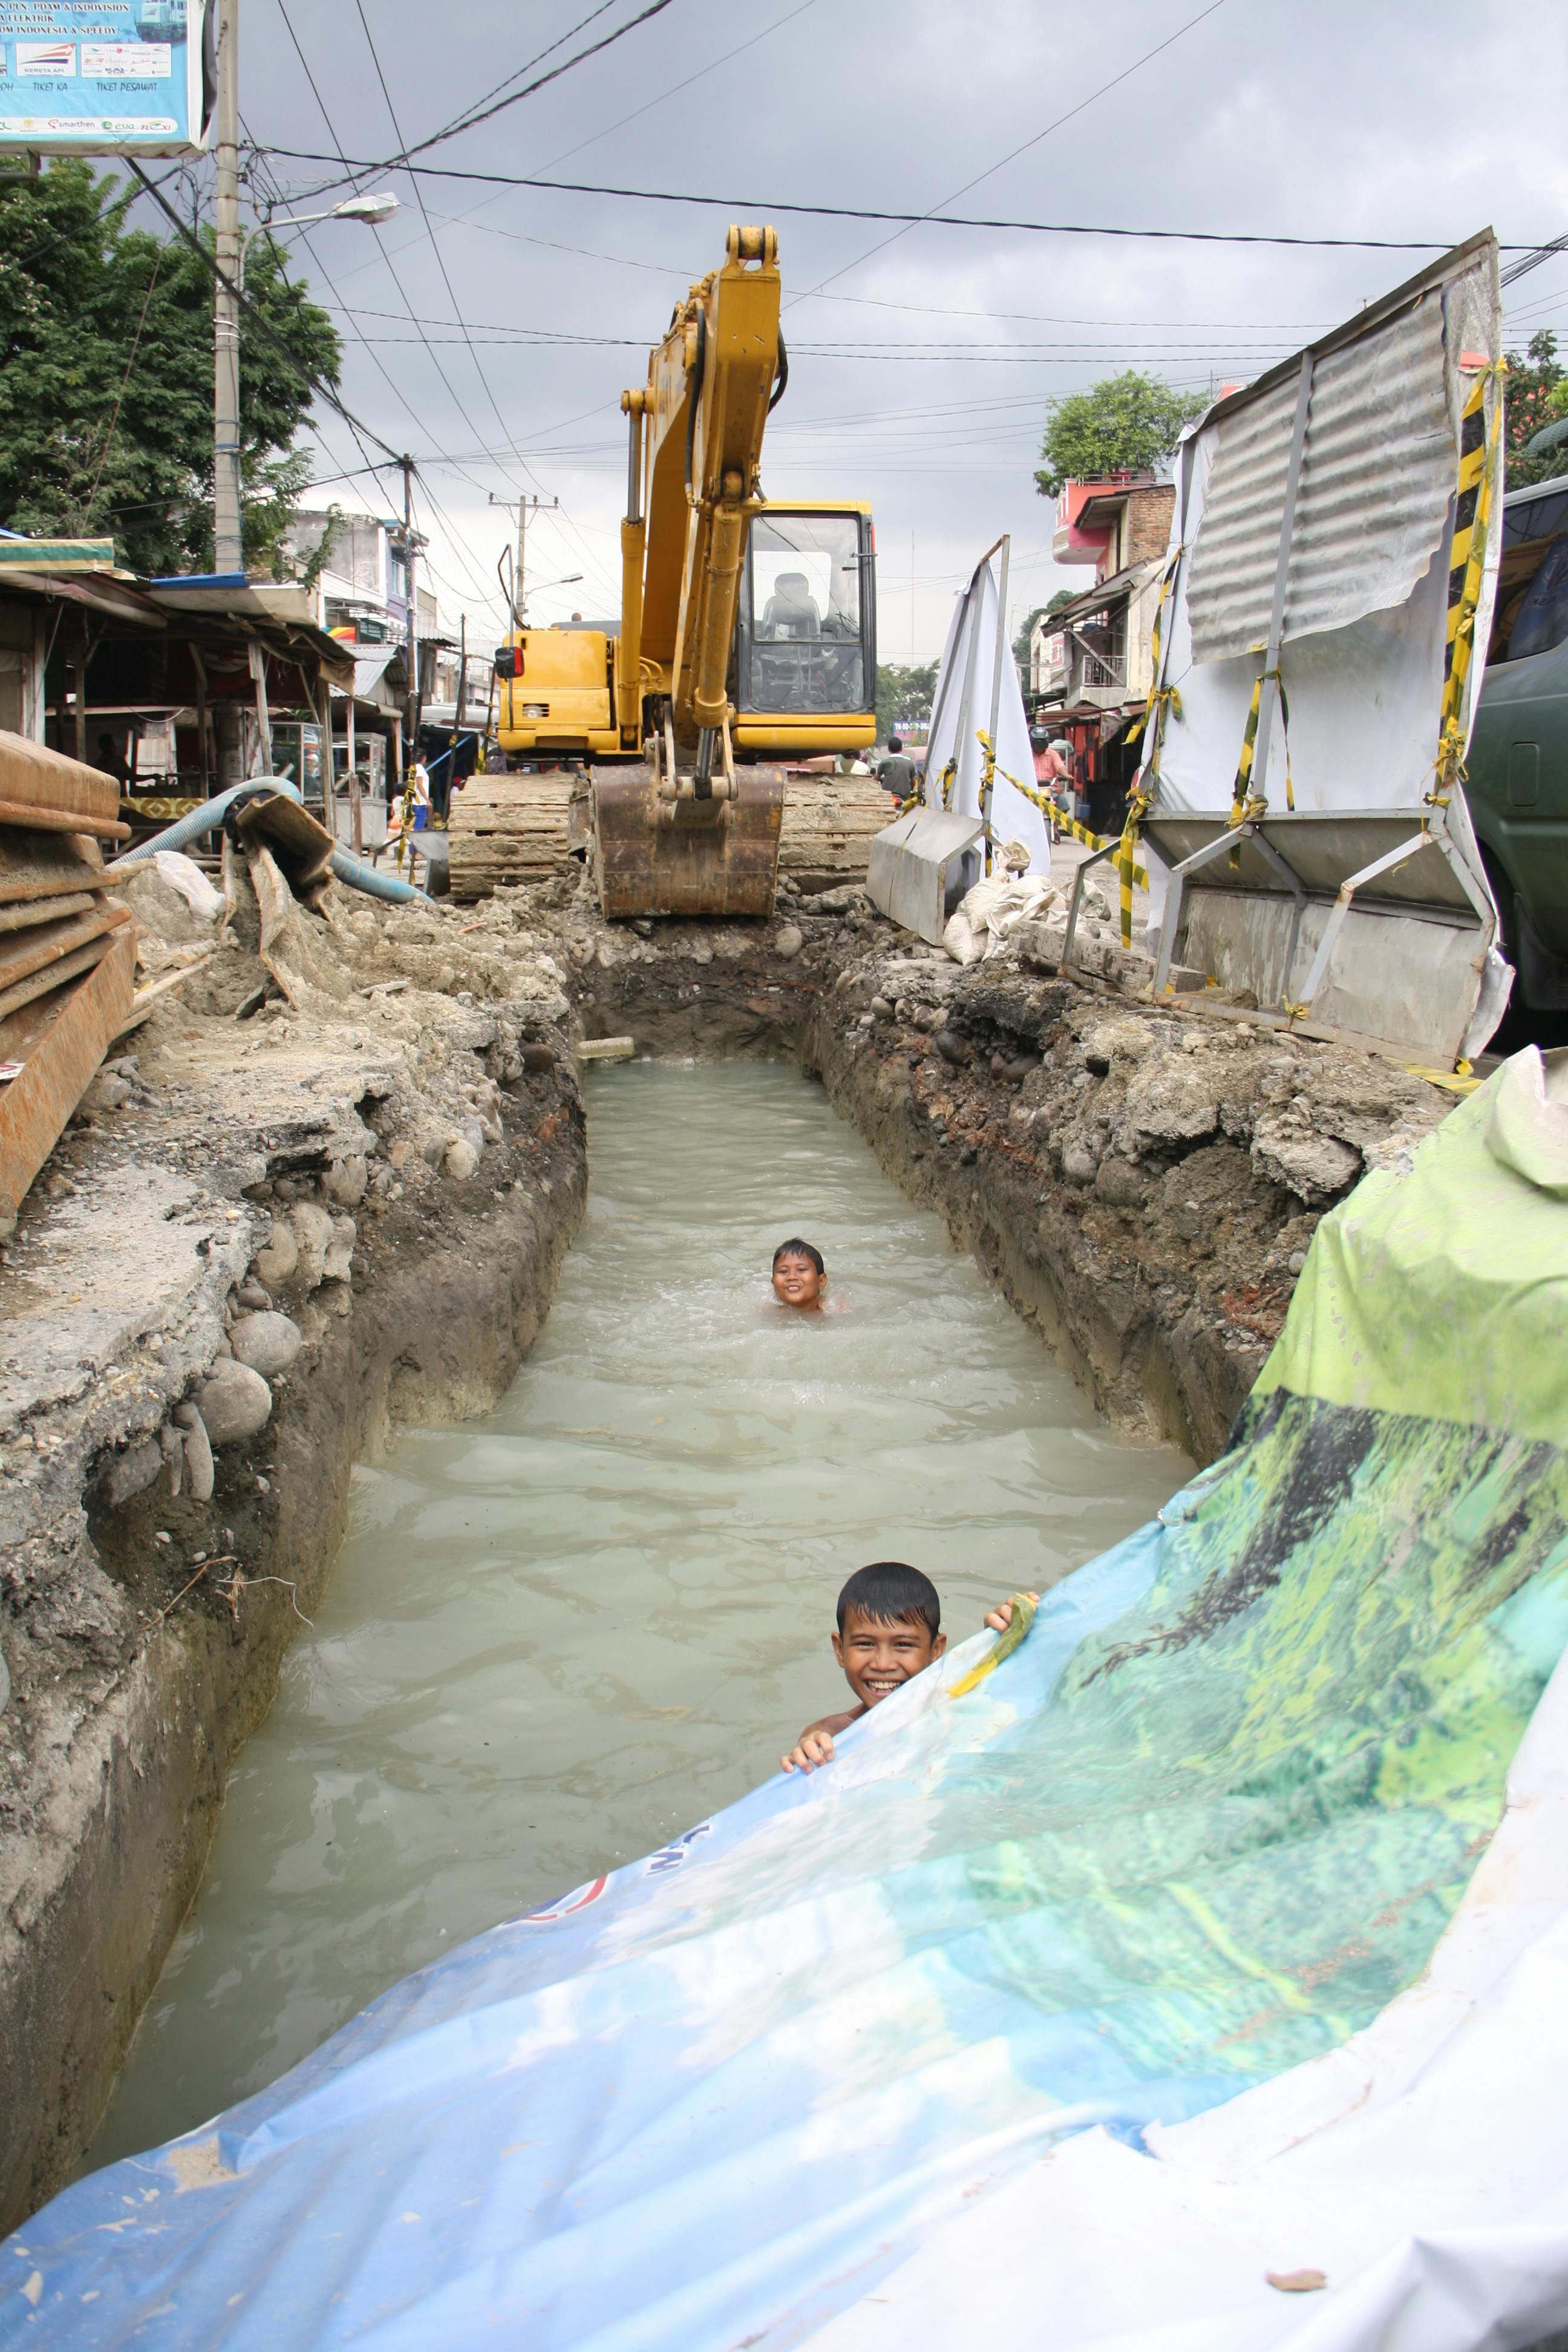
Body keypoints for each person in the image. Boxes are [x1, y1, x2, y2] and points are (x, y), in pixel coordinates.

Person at [781, 1561, 1039, 1773]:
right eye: (865, 1644)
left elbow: (1019, 1690)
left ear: (936, 1651)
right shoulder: (831, 1736)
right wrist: (809, 1752)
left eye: (903, 1645)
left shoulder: (955, 1703)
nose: (882, 1664)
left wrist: (1008, 1636)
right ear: (840, 1650)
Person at [772, 1237, 826, 1311]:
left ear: (821, 1282)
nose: (791, 1277)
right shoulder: (767, 1312)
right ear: (773, 1283)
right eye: (783, 1271)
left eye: (801, 1270)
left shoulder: (836, 1311)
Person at [875, 736, 918, 801]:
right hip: (904, 797)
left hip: (887, 797)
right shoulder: (910, 763)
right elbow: (914, 782)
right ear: (901, 749)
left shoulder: (884, 763)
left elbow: (877, 778)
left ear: (889, 749)